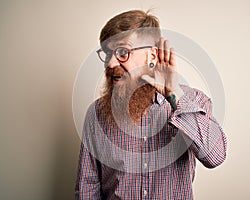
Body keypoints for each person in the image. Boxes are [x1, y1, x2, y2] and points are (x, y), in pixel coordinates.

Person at [75, 10, 227, 199]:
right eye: (107, 53)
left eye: (123, 52)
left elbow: (215, 157)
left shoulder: (193, 101)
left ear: (152, 55)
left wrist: (175, 95)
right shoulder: (96, 113)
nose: (111, 63)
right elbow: (87, 188)